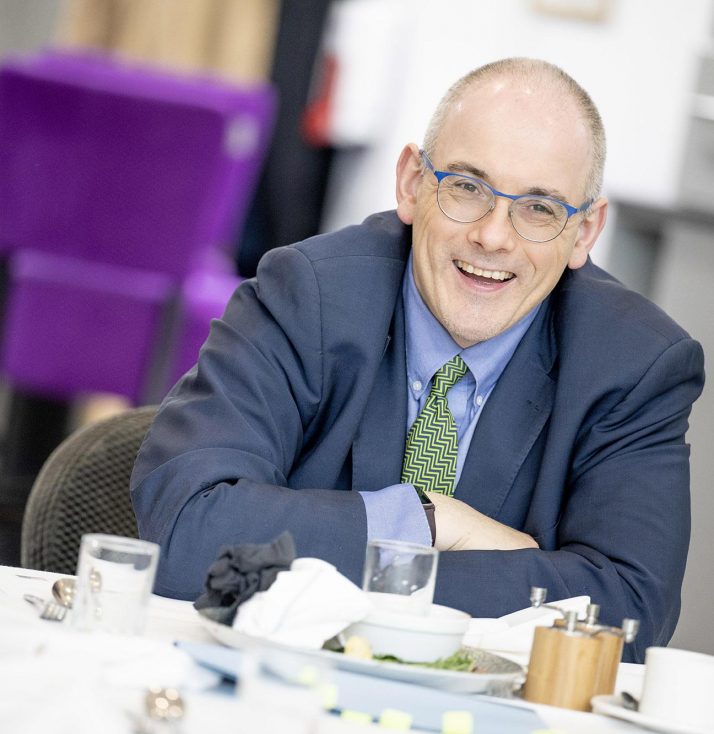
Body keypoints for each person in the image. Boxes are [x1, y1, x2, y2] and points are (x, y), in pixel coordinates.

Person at [131, 58, 704, 662]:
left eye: (539, 209)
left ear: (584, 232)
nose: (493, 236)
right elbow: (183, 532)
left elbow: (631, 612)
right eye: (467, 188)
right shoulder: (305, 295)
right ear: (410, 183)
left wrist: (364, 567)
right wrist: (425, 523)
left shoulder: (636, 364)